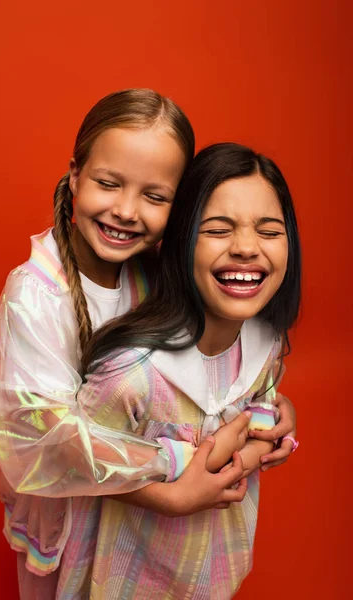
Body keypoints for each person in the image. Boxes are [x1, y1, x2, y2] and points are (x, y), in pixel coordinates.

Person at [0, 89, 297, 597]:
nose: (127, 211)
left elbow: (209, 372)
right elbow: (38, 440)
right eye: (109, 184)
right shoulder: (36, 294)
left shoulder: (160, 272)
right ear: (75, 175)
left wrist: (267, 409)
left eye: (155, 197)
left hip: (146, 525)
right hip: (71, 504)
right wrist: (173, 484)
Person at [61, 142, 302, 599]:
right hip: (126, 580)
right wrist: (226, 454)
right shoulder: (131, 373)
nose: (247, 247)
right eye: (218, 229)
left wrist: (268, 435)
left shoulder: (265, 342)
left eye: (269, 231)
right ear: (180, 241)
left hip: (215, 571)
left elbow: (263, 412)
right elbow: (74, 463)